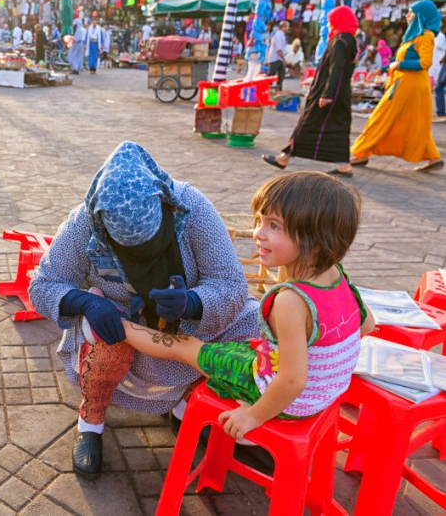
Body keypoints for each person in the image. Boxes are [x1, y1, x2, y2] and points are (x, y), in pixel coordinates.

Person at [30, 142, 260, 480]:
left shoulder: (192, 207)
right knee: (109, 342)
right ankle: (90, 424)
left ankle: (185, 408)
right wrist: (87, 303)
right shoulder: (84, 223)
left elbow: (230, 284)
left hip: (190, 329)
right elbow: (43, 285)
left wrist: (192, 302)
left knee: (254, 324)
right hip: (125, 328)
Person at [114, 171, 373, 441]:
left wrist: (253, 416)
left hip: (285, 400)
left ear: (316, 242)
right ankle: (185, 404)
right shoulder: (336, 276)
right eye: (260, 221)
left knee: (185, 345)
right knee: (236, 342)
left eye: (274, 226)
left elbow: (293, 380)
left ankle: (118, 325)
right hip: (325, 395)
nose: (258, 233)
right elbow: (368, 324)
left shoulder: (290, 301)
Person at [262, 6, 359, 177]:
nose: (328, 24)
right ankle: (344, 164)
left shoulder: (340, 41)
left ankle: (284, 157)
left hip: (328, 93)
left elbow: (336, 70)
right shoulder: (348, 40)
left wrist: (327, 95)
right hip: (339, 93)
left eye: (331, 20)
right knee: (338, 128)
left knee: (307, 124)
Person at [350, 0, 445, 172]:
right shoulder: (413, 36)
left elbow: (425, 63)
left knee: (380, 117)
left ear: (421, 15)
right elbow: (401, 60)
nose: (408, 16)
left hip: (411, 85)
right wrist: (382, 69)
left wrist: (397, 66)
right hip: (405, 82)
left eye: (411, 13)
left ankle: (360, 152)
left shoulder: (427, 36)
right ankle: (434, 157)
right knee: (416, 123)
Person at [266, 21, 289, 92]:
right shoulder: (278, 35)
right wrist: (284, 59)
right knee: (272, 75)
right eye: (287, 26)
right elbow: (279, 50)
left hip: (279, 58)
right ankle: (267, 88)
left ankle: (279, 88)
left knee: (281, 73)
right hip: (275, 58)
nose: (288, 28)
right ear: (284, 27)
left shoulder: (281, 35)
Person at [433, 24, 446, 123]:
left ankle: (440, 112)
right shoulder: (441, 36)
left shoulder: (441, 36)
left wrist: (442, 59)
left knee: (438, 87)